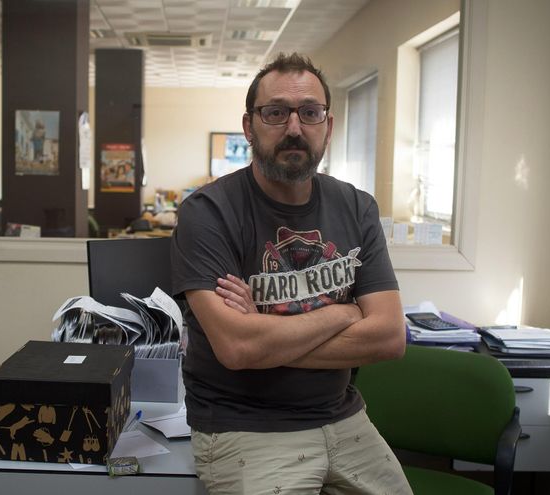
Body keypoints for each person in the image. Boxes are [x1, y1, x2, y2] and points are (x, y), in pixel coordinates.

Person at [170, 53, 412, 495]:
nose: (295, 127)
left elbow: (389, 337)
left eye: (310, 113)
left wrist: (264, 335)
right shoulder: (207, 214)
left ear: (328, 126)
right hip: (245, 427)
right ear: (249, 127)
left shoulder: (357, 207)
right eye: (276, 112)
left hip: (343, 417)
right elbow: (238, 347)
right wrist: (343, 313)